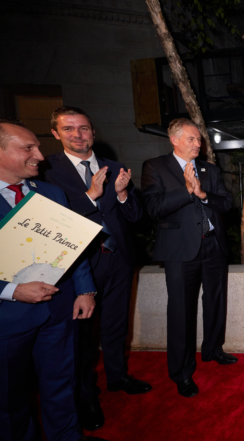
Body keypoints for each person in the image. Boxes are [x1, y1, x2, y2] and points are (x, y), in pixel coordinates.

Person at [44, 106, 150, 431]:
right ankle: (86, 394)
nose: (78, 134)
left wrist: (120, 196)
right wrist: (90, 196)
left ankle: (117, 376)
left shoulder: (113, 166)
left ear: (93, 131)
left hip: (118, 259)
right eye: (69, 129)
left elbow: (135, 216)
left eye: (84, 128)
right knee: (82, 336)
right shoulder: (46, 171)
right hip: (79, 264)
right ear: (55, 134)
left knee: (117, 325)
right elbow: (49, 219)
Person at [0, 120, 102, 441]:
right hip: (7, 321)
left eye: (38, 147)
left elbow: (72, 246)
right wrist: (13, 290)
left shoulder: (51, 192)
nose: (40, 156)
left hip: (59, 312)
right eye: (28, 148)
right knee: (9, 401)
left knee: (61, 387)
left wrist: (85, 288)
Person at [141, 118, 235, 398]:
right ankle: (181, 372)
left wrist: (203, 194)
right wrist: (185, 190)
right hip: (180, 251)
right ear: (175, 139)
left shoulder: (210, 169)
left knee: (216, 301)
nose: (198, 144)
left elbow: (227, 202)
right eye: (192, 139)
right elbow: (153, 207)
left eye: (199, 140)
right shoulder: (155, 167)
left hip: (213, 246)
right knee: (181, 310)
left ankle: (213, 349)